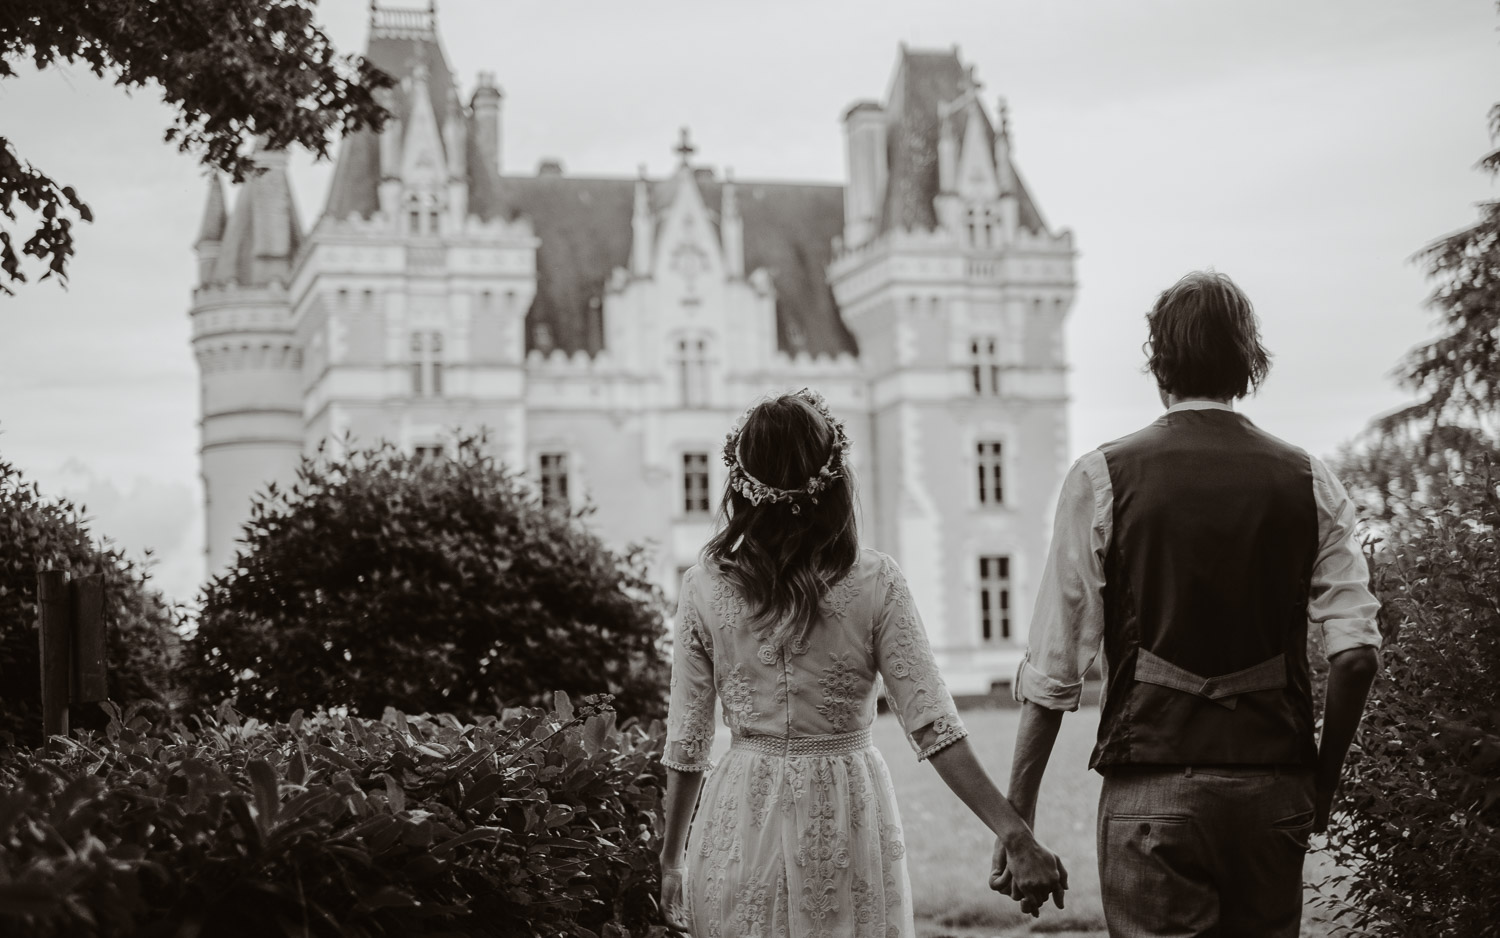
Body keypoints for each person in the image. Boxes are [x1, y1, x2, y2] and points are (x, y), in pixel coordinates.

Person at [998, 271, 1382, 936]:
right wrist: (1319, 783)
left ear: (1157, 364)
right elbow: (1355, 657)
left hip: (1152, 790)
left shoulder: (1102, 476)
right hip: (1273, 787)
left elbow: (1055, 670)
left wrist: (1017, 823)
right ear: (1249, 363)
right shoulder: (1309, 480)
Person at [658, 388, 1067, 937]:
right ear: (834, 480)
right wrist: (1015, 835)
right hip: (844, 802)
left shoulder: (703, 585)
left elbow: (688, 742)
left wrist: (672, 859)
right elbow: (932, 724)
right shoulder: (876, 580)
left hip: (738, 810)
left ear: (740, 482)